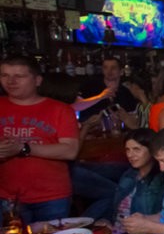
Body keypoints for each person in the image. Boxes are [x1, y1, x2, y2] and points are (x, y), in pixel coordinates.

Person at [0, 55, 79, 223]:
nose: (11, 81)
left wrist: (23, 148)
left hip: (51, 196)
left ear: (37, 80)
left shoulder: (60, 109)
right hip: (6, 196)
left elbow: (70, 150)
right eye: (5, 75)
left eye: (19, 76)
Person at [101, 129, 164, 234]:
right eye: (128, 150)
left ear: (151, 150)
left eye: (136, 149)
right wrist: (107, 223)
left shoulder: (161, 180)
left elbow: (159, 217)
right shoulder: (129, 174)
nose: (130, 155)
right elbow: (116, 205)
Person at [75, 55, 138, 122]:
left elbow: (134, 117)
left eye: (113, 68)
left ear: (121, 71)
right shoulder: (90, 85)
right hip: (88, 127)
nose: (109, 71)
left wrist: (122, 118)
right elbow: (76, 106)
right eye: (105, 68)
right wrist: (101, 96)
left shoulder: (126, 92)